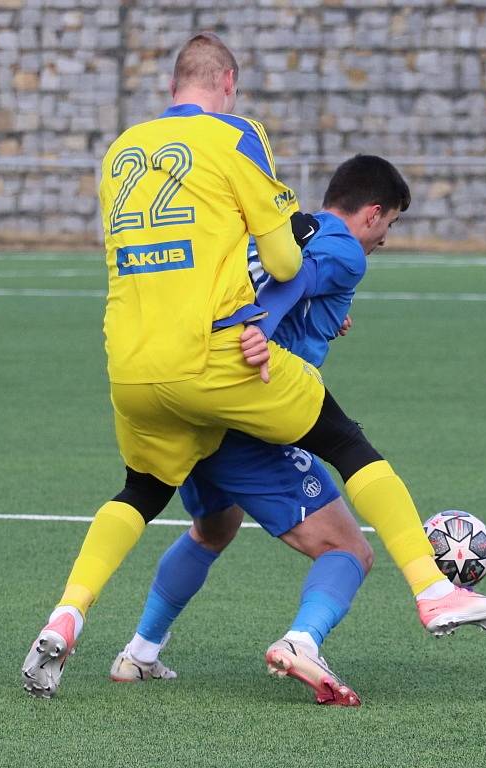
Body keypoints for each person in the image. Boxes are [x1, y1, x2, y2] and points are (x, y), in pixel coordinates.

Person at [22, 32, 486, 700]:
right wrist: (257, 321)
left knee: (160, 500)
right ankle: (427, 593)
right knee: (346, 461)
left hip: (133, 365)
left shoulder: (119, 152)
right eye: (389, 226)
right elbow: (287, 262)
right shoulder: (239, 139)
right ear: (226, 81)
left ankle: (84, 619)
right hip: (220, 365)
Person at [108, 156, 408, 707]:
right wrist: (261, 329)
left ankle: (140, 653)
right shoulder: (340, 248)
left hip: (193, 402)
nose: (384, 239)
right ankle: (303, 641)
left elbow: (269, 278)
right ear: (371, 214)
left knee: (214, 527)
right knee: (349, 550)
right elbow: (297, 279)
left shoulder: (278, 234)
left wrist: (319, 318)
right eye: (389, 225)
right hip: (250, 415)